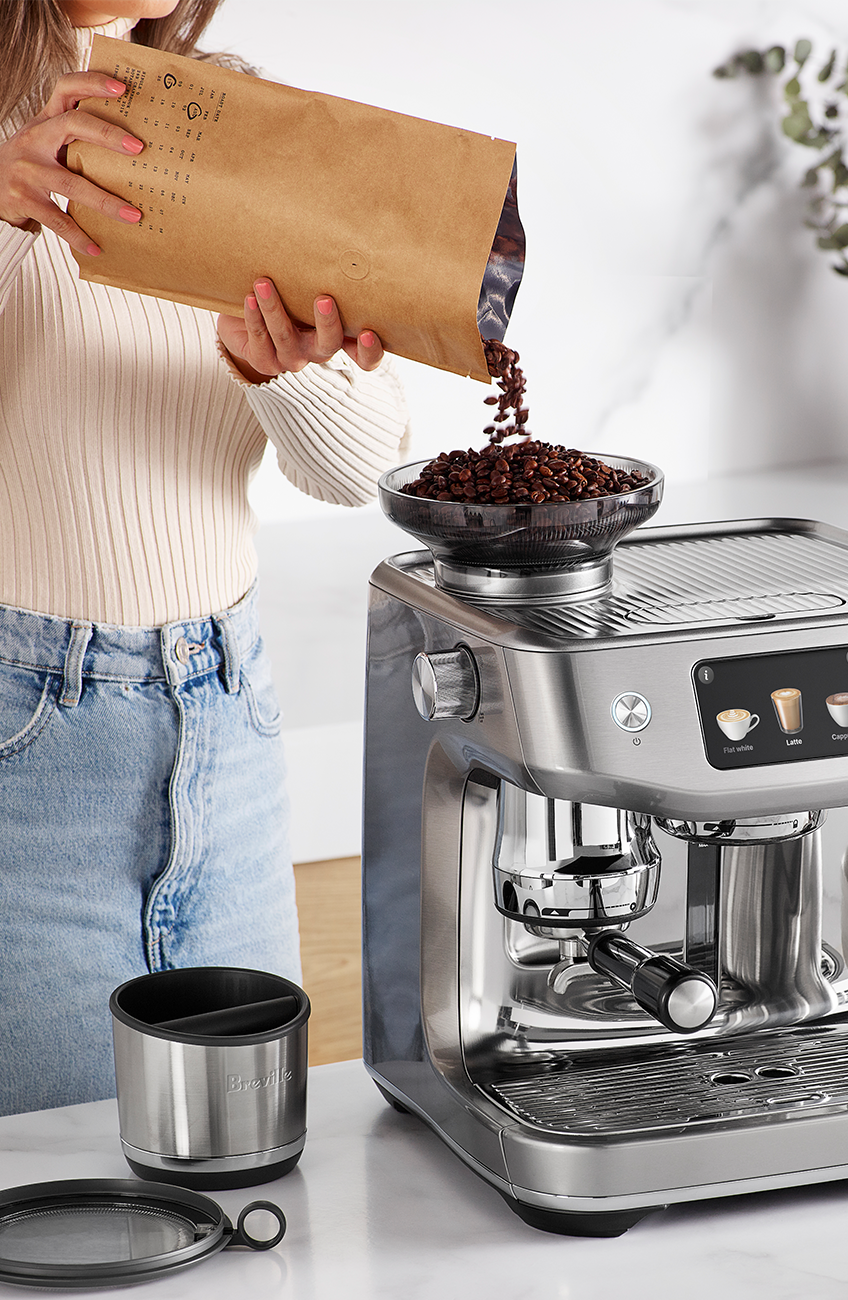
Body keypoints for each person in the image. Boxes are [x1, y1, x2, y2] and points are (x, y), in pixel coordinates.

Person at [0, 0, 411, 1114]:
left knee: (244, 1156)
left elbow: (363, 467)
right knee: (60, 1175)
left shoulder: (232, 127)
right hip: (29, 748)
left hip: (227, 720)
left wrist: (284, 372)